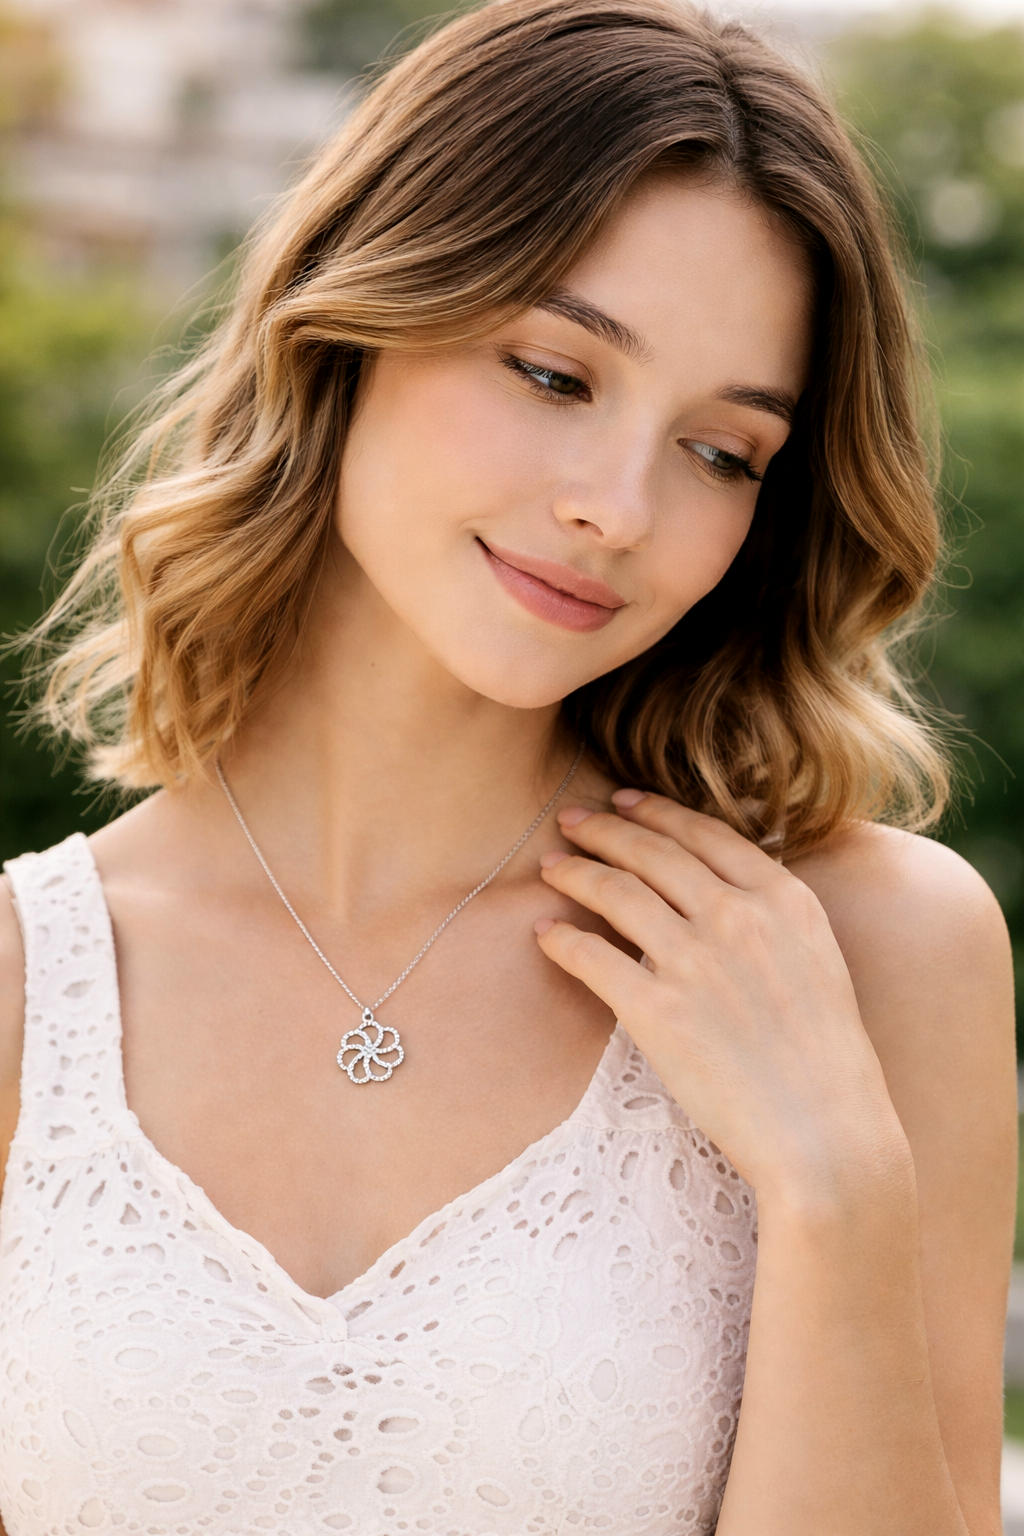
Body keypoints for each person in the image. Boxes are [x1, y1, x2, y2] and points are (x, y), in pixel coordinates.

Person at [0, 0, 1015, 1531]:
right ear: (352, 321)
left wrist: (832, 1187)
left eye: (724, 451)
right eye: (555, 373)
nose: (619, 506)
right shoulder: (32, 982)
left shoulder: (864, 955)